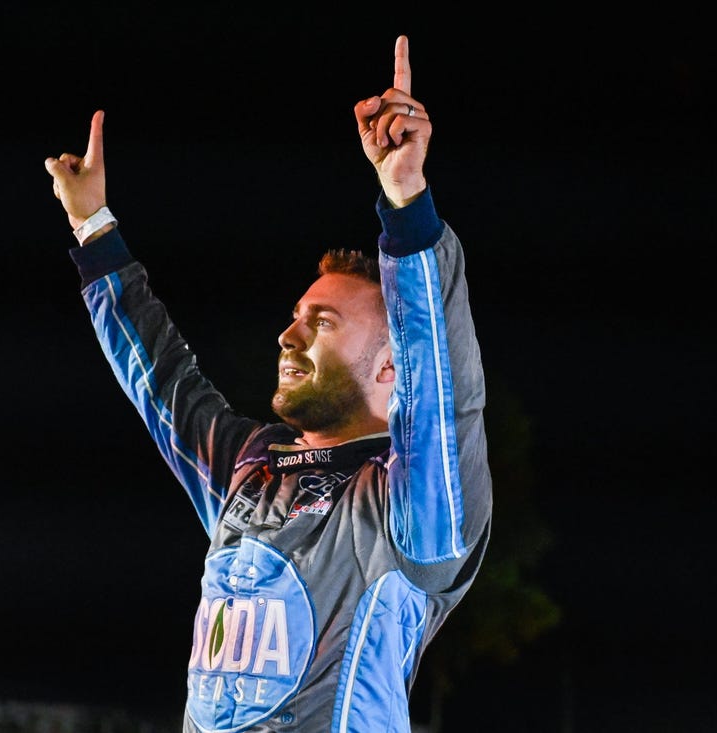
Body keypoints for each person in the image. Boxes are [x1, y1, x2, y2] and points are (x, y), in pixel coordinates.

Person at [44, 35, 492, 733]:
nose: (289, 335)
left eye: (321, 323)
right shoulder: (253, 468)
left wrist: (407, 203)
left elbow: (444, 393)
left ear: (389, 365)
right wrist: (93, 227)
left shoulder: (412, 511)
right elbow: (161, 378)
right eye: (293, 318)